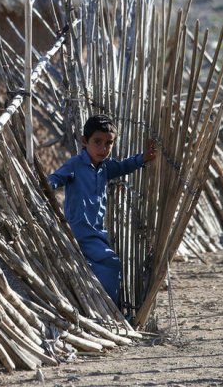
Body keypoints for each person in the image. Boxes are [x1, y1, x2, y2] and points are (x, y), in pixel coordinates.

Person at [48, 114, 157, 305]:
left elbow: (125, 165)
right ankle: (111, 311)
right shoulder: (75, 164)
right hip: (80, 229)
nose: (103, 149)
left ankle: (98, 308)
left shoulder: (105, 167)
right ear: (84, 141)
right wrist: (46, 184)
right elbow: (56, 178)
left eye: (108, 143)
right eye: (97, 142)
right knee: (111, 262)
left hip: (97, 231)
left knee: (94, 269)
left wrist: (143, 158)